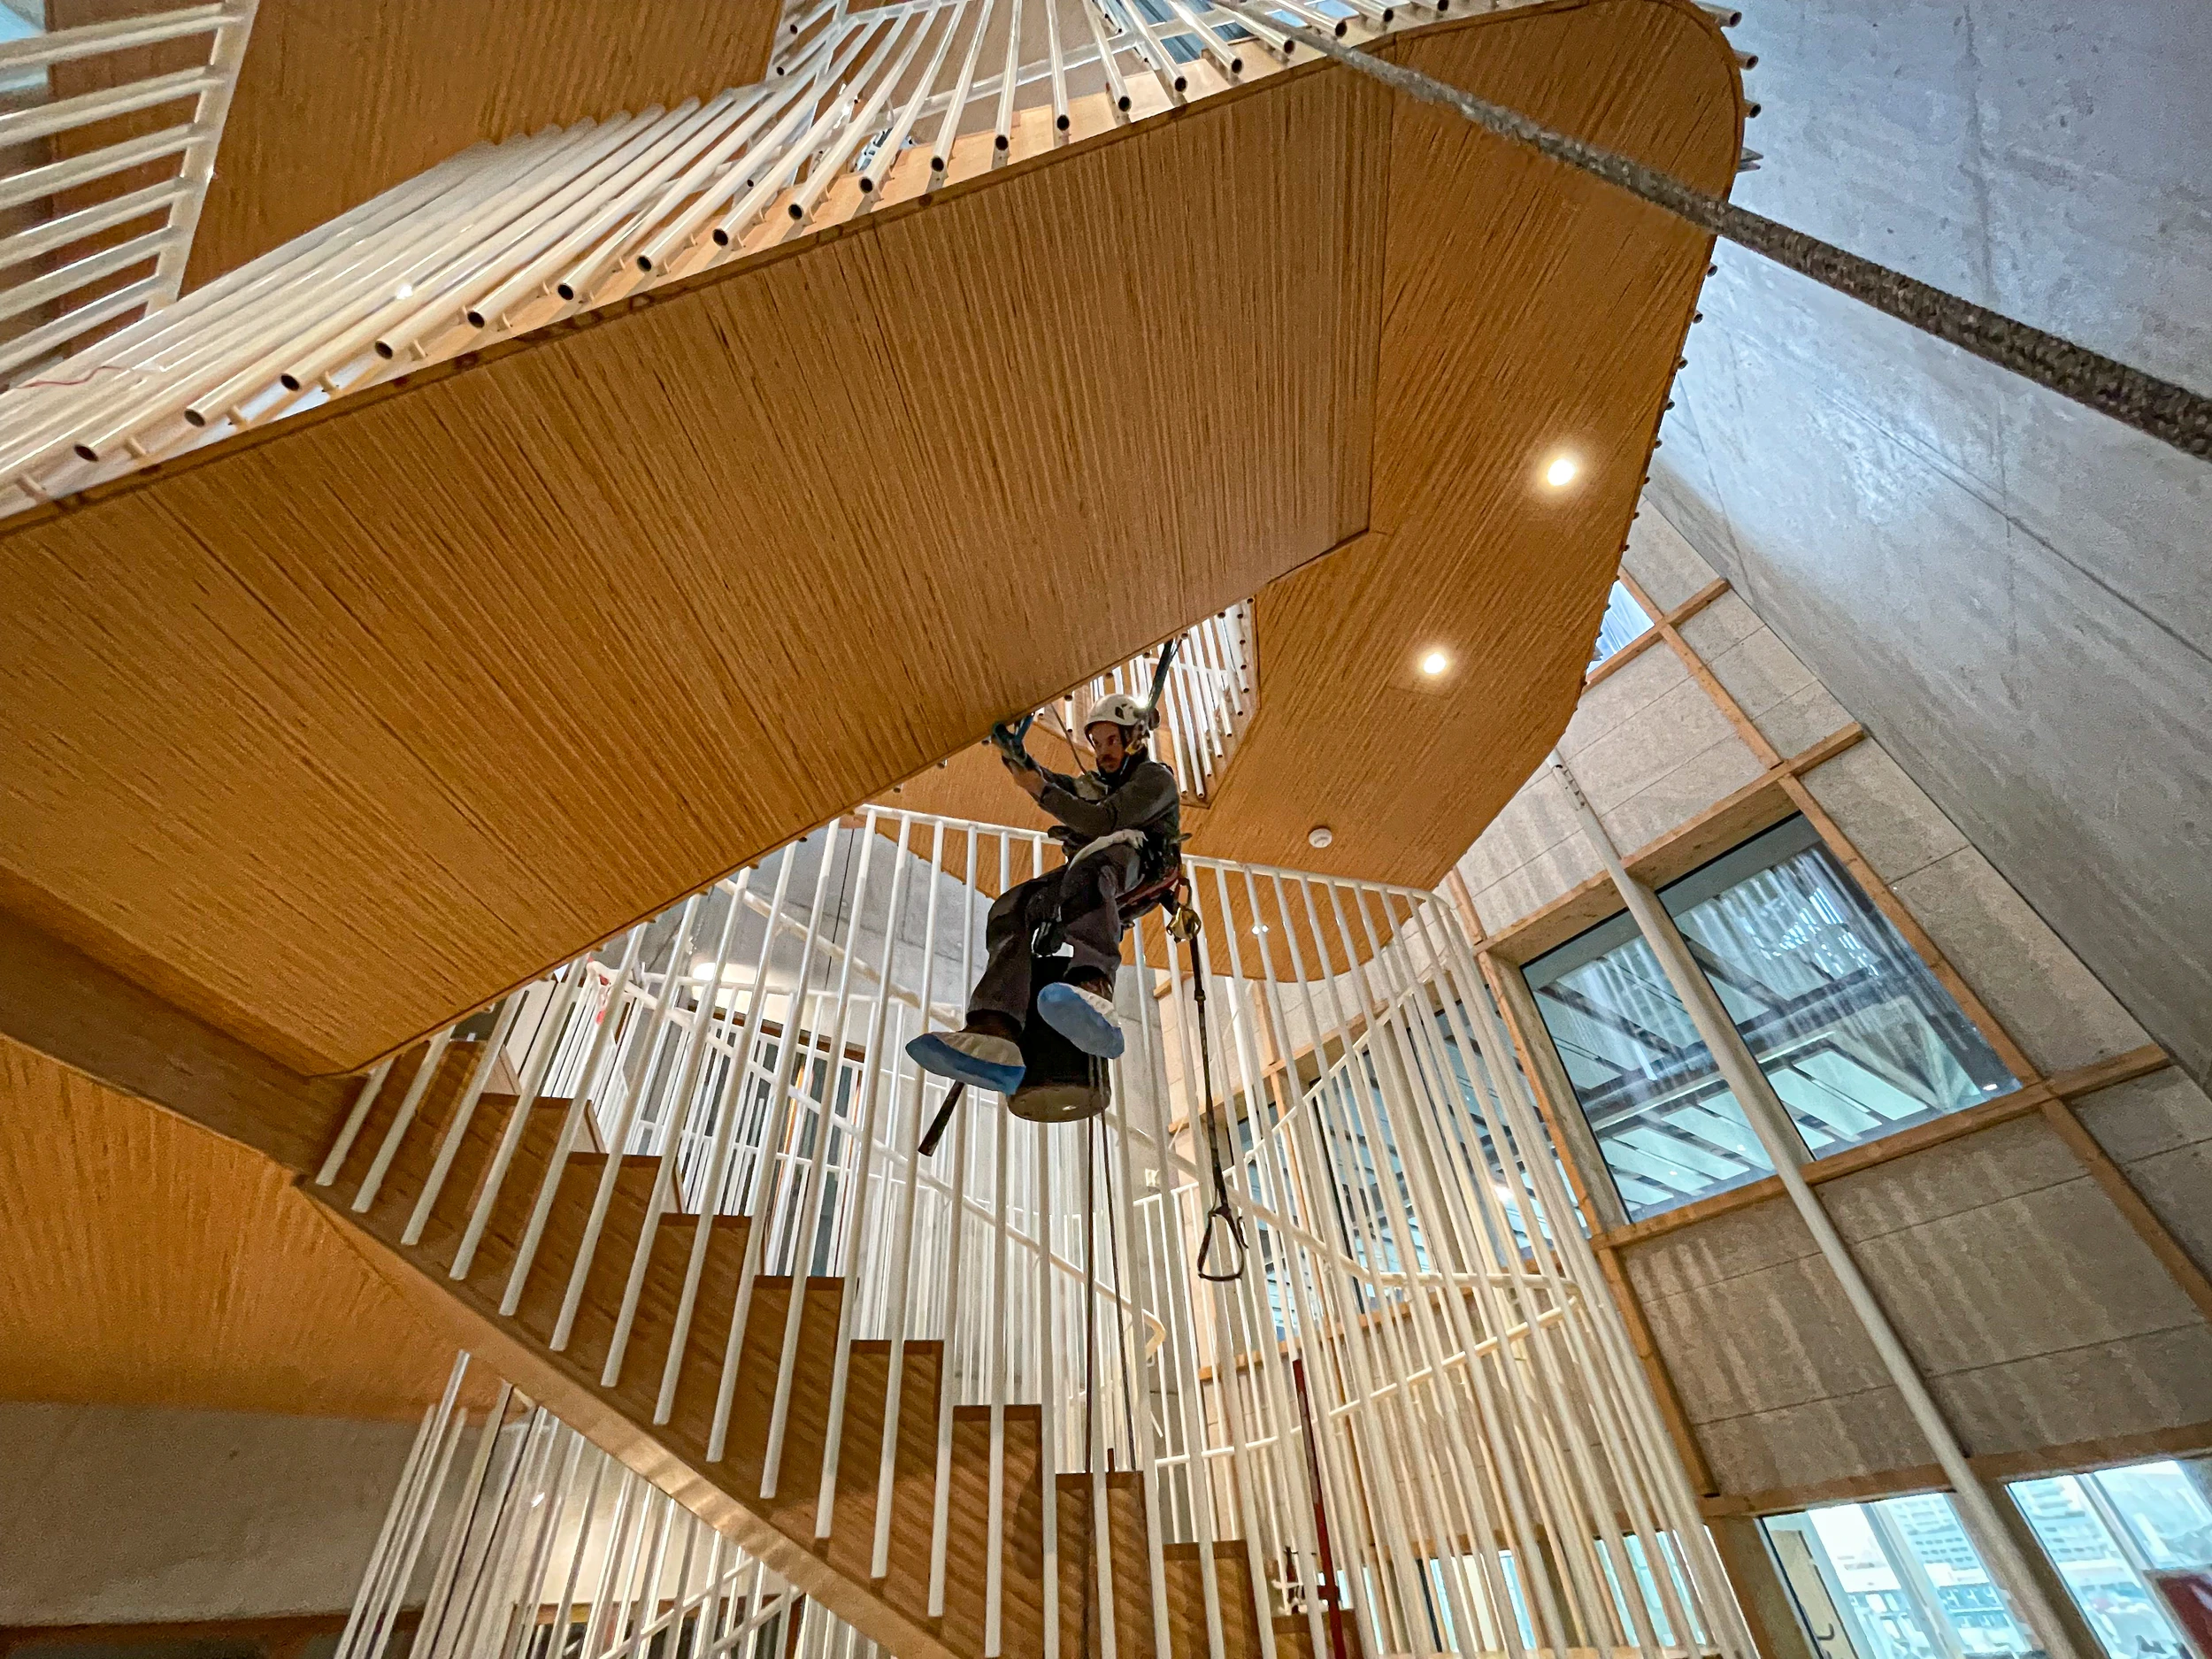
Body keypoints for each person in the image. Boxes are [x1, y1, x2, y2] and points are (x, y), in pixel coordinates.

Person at [906, 693, 1180, 1095]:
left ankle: (1093, 986)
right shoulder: (1096, 785)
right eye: (1097, 743)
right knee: (1013, 905)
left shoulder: (1156, 779)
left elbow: (1102, 821)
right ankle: (994, 1027)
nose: (1103, 752)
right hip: (1092, 869)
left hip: (1140, 863)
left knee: (1091, 870)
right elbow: (1058, 784)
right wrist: (1020, 762)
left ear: (1134, 739)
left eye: (1111, 741)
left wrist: (1039, 788)